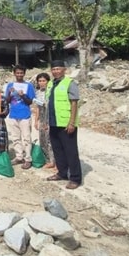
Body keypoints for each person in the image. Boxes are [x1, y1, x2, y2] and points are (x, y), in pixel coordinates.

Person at [45, 61, 82, 189]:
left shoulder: (70, 83)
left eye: (58, 69)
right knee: (58, 150)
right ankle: (62, 173)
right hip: (53, 122)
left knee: (71, 152)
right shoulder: (51, 84)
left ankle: (75, 178)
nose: (55, 71)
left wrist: (72, 122)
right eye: (53, 69)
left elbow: (74, 104)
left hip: (66, 124)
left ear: (64, 70)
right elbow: (48, 103)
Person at [6, 64, 36, 169]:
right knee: (15, 138)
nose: (19, 75)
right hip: (13, 114)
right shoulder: (10, 85)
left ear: (24, 74)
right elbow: (7, 101)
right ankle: (19, 157)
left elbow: (30, 102)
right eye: (17, 73)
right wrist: (10, 94)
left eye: (21, 73)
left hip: (25, 115)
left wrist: (23, 95)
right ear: (14, 74)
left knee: (26, 138)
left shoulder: (29, 86)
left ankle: (28, 159)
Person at [33, 72, 56, 169]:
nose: (42, 83)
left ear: (48, 81)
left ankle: (54, 161)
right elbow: (37, 108)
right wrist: (36, 120)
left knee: (50, 140)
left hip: (50, 118)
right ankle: (47, 159)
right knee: (42, 139)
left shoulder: (51, 92)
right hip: (42, 118)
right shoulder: (38, 93)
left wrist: (48, 122)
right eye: (40, 81)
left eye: (44, 81)